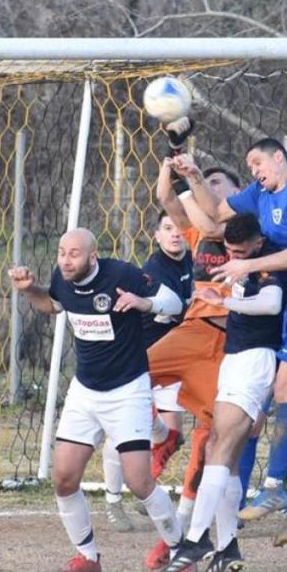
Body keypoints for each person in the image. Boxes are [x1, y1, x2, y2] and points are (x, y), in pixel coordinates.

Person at [175, 138, 287, 544]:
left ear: (279, 157)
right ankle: (250, 505)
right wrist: (194, 176)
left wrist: (247, 266)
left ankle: (286, 492)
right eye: (249, 165)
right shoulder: (259, 193)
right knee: (257, 413)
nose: (253, 170)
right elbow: (215, 215)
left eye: (257, 162)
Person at [7, 228, 186, 572]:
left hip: (128, 389)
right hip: (85, 391)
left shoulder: (122, 274)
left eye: (74, 254)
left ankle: (182, 551)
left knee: (139, 481)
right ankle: (88, 557)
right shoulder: (64, 279)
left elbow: (175, 303)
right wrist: (29, 289)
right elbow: (53, 305)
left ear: (93, 256)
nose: (65, 260)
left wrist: (144, 303)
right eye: (61, 252)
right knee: (63, 478)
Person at [160, 213, 287, 572]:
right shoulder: (243, 262)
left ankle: (197, 538)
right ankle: (227, 545)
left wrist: (223, 301)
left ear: (257, 245)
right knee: (223, 453)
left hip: (255, 359)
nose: (233, 258)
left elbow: (272, 304)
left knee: (218, 445)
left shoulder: (268, 263)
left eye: (240, 253)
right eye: (229, 251)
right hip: (235, 357)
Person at [140, 155, 243, 571]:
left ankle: (182, 538)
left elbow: (220, 224)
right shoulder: (198, 231)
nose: (210, 189)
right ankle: (160, 435)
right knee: (130, 371)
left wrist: (193, 178)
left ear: (238, 194)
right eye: (207, 182)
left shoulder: (250, 230)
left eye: (219, 184)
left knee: (211, 442)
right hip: (192, 331)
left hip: (229, 345)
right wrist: (171, 161)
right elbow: (165, 197)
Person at [102, 210, 193, 533]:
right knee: (124, 431)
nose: (175, 233)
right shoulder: (155, 270)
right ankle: (113, 501)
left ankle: (145, 487)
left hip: (172, 357)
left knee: (171, 435)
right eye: (167, 228)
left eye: (179, 227)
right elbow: (176, 310)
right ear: (156, 235)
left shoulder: (193, 262)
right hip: (141, 357)